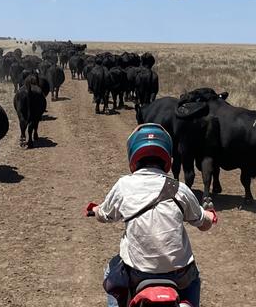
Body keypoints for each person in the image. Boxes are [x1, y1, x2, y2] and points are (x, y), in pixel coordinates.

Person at [86, 124, 217, 307]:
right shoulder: (179, 188)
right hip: (180, 274)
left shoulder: (124, 185)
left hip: (137, 272)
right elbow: (203, 223)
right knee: (194, 279)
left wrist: (96, 210)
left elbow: (104, 215)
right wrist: (210, 216)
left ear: (133, 156)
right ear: (167, 159)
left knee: (110, 270)